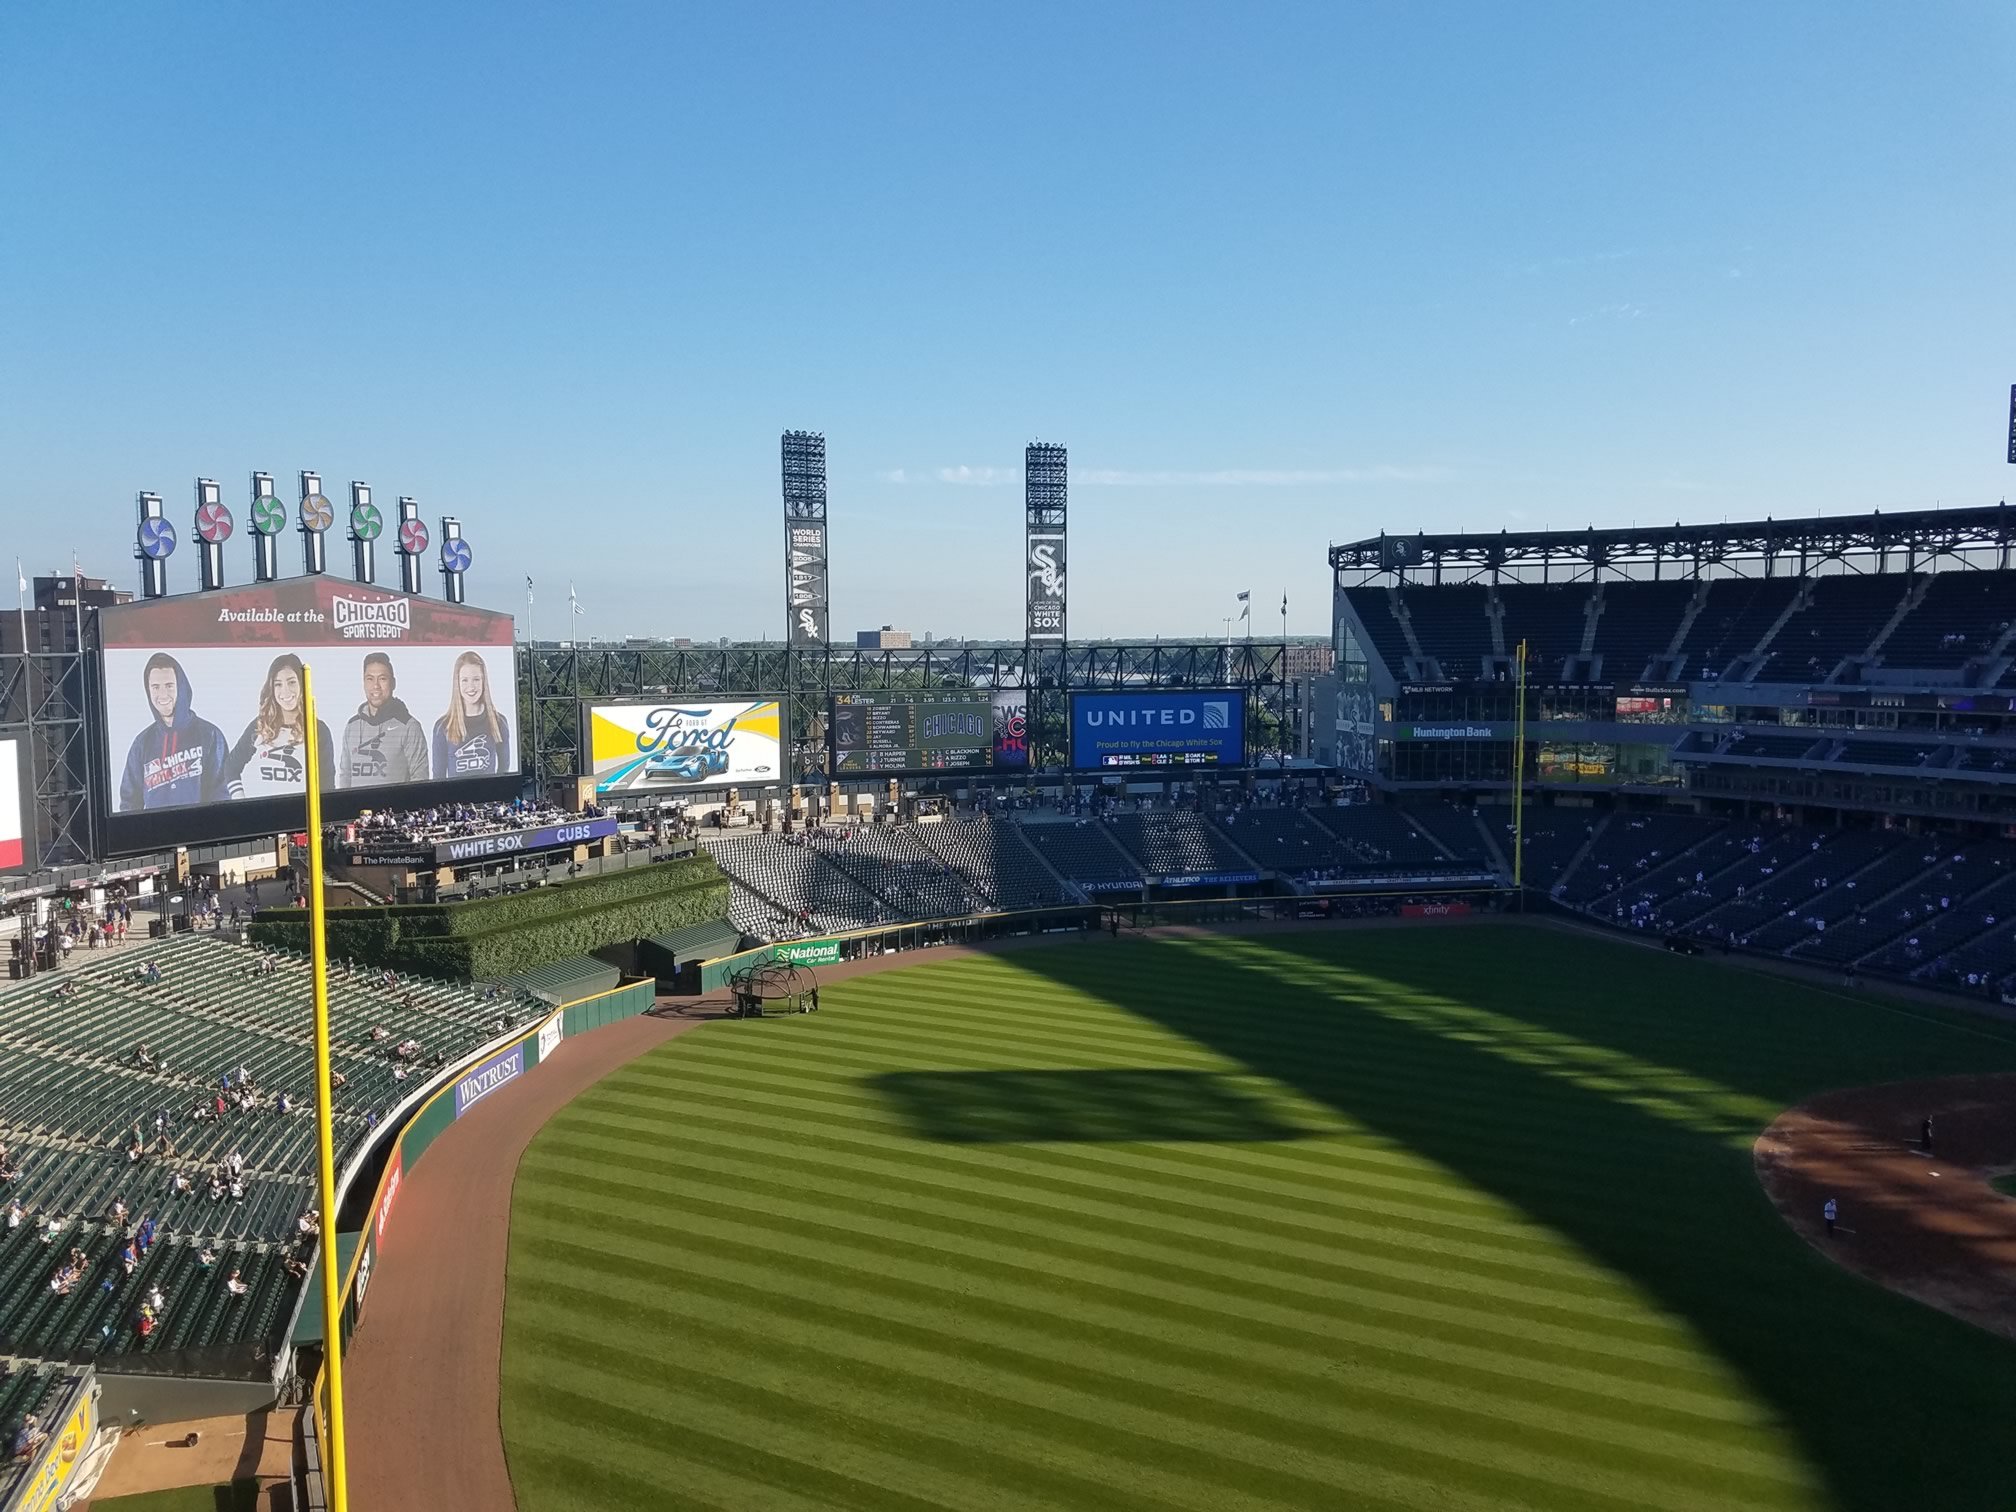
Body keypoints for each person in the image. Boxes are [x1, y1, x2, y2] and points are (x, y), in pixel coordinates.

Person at [117, 652, 229, 812]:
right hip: (156, 835)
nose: (162, 694)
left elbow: (221, 794)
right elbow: (129, 802)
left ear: (181, 687)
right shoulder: (141, 743)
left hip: (201, 833)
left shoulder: (210, 735)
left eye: (169, 685)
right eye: (155, 687)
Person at [223, 654, 335, 801]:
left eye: (291, 682)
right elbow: (231, 767)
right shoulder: (260, 725)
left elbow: (326, 786)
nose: (286, 691)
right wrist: (240, 801)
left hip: (302, 820)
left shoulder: (318, 730)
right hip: (263, 818)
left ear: (302, 684)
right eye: (278, 684)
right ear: (271, 688)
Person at [339, 652, 430, 788]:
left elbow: (420, 781)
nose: (376, 686)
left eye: (382, 679)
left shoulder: (409, 727)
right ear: (363, 683)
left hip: (395, 809)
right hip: (357, 808)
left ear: (393, 683)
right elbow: (345, 777)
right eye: (370, 679)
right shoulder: (352, 727)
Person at [431, 651, 510, 779]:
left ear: (484, 681)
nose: (471, 687)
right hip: (455, 798)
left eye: (476, 679)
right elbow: (438, 776)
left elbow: (504, 771)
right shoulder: (442, 726)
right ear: (457, 683)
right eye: (465, 680)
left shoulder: (499, 722)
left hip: (488, 797)